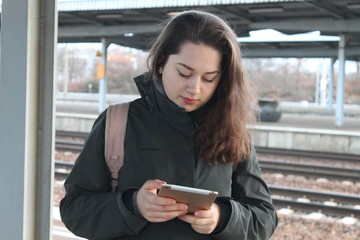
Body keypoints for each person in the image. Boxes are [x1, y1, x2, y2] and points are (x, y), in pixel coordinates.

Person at [60, 10, 278, 240]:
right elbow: (74, 209)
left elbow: (264, 219)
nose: (195, 88)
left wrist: (222, 217)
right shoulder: (118, 120)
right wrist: (133, 205)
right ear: (162, 62)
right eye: (184, 73)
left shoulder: (232, 130)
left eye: (209, 78)